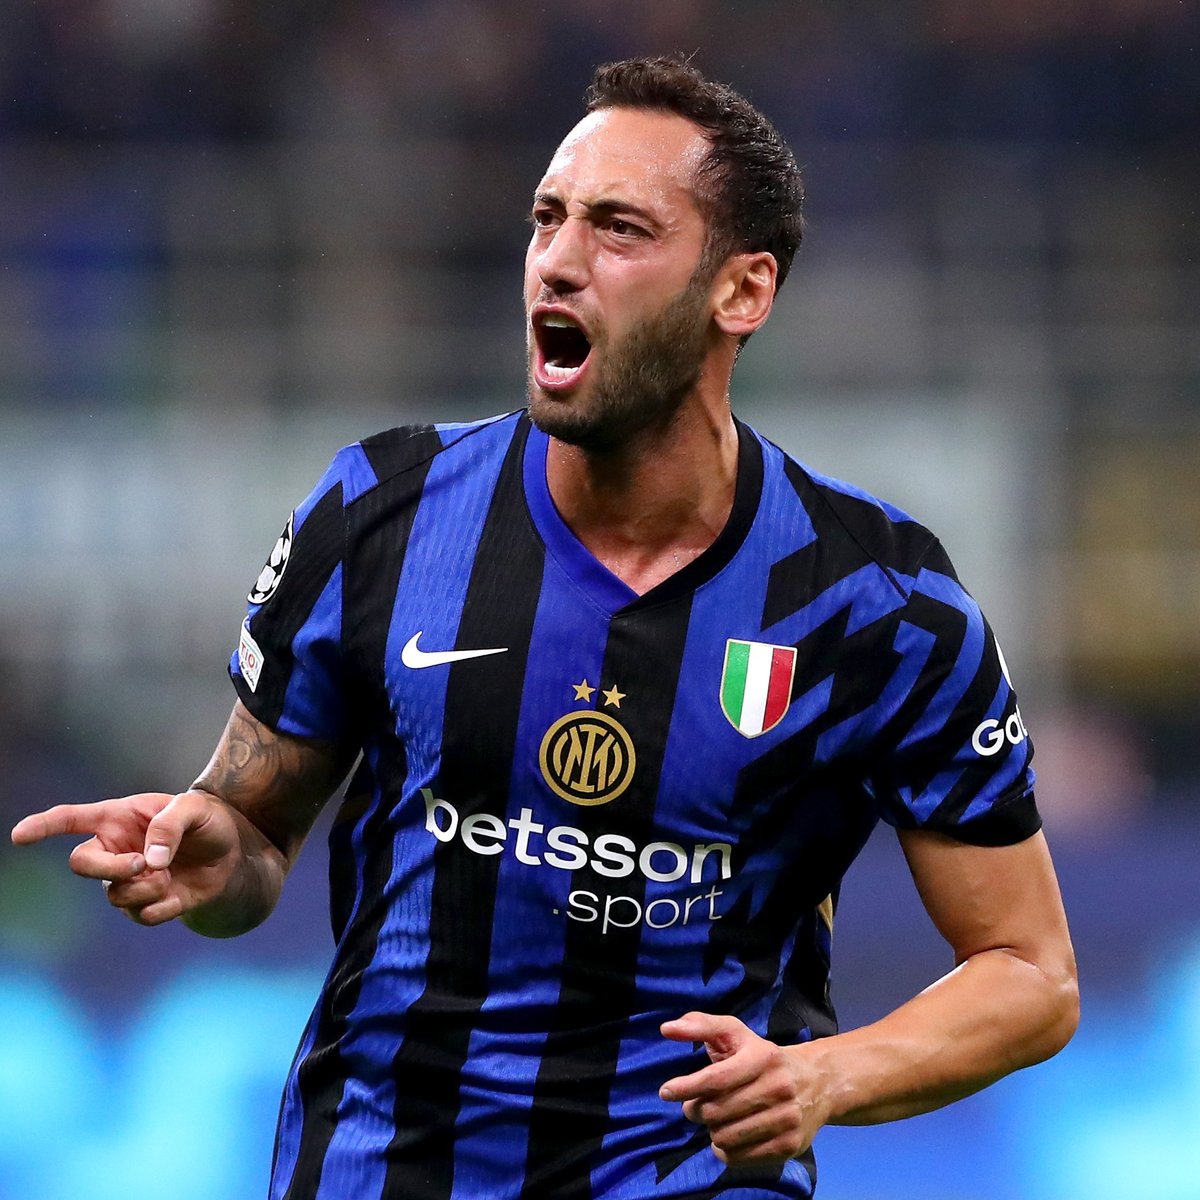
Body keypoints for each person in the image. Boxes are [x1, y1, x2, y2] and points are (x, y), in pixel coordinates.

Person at [11, 55, 1077, 1200]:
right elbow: (253, 841)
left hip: (694, 1180)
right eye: (547, 218)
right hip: (384, 1169)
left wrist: (828, 1075)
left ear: (741, 291)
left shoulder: (881, 605)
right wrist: (213, 853)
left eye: (620, 229)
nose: (559, 260)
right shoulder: (379, 514)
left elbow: (1030, 973)